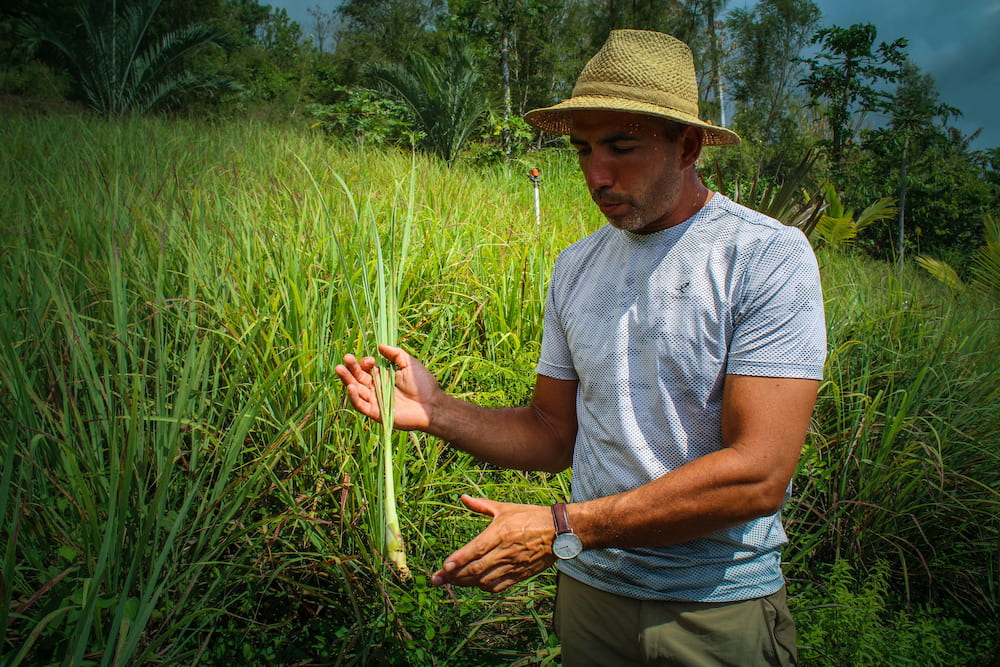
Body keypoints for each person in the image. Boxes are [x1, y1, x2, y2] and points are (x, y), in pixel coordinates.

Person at [336, 28, 826, 666]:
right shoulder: (575, 268)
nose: (597, 174)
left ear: (690, 144)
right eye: (582, 148)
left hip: (713, 609)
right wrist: (434, 411)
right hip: (591, 596)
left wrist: (566, 527)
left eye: (623, 146)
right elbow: (551, 433)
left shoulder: (763, 256)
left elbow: (759, 472)